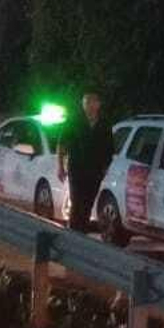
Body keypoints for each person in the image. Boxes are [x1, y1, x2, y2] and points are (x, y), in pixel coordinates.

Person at [58, 89, 117, 233]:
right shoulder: (74, 122)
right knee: (76, 203)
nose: (89, 106)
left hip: (95, 172)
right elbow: (62, 144)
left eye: (92, 102)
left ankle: (81, 233)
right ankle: (73, 233)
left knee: (87, 204)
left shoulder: (104, 124)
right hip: (77, 170)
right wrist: (60, 166)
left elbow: (109, 149)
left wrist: (104, 168)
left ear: (98, 104)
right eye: (86, 103)